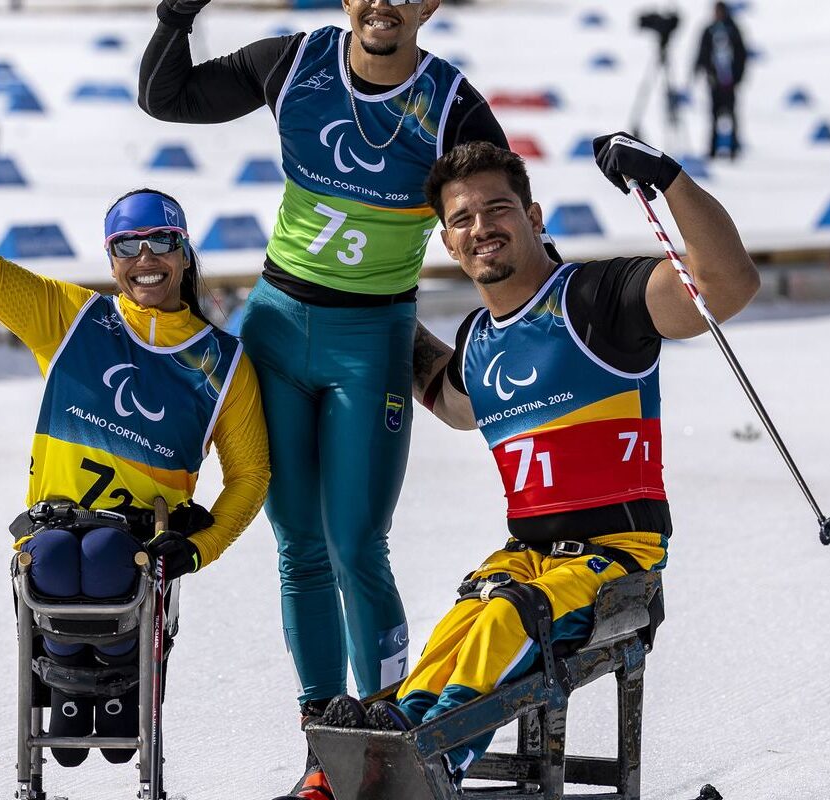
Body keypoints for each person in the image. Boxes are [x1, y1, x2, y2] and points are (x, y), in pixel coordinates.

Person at [138, 2, 509, 796]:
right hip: (275, 330)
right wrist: (175, 17)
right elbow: (167, 99)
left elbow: (492, 223)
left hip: (370, 342)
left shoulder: (452, 106)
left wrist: (509, 332)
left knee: (355, 545)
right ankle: (322, 754)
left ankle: (383, 739)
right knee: (298, 547)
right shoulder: (293, 63)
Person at [315, 135, 759, 785]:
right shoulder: (479, 338)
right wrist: (373, 305)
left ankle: (426, 761)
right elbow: (451, 397)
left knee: (504, 617)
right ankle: (389, 737)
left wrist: (668, 178)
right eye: (461, 219)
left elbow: (729, 284)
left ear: (533, 217)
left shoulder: (597, 299)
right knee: (463, 623)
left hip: (619, 562)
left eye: (496, 209)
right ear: (447, 242)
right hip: (525, 562)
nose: (480, 228)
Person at [0, 102, 270, 768]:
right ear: (112, 259)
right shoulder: (73, 319)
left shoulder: (224, 362)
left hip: (133, 539)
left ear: (187, 253)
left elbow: (251, 477)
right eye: (125, 246)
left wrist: (200, 549)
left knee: (105, 555)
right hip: (54, 527)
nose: (145, 259)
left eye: (161, 240)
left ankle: (111, 683)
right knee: (50, 560)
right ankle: (70, 687)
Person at [694, 1, 748, 159]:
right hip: (714, 81)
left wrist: (738, 77)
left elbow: (741, 55)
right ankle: (712, 149)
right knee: (713, 116)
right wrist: (699, 69)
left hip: (729, 82)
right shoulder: (709, 31)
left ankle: (733, 148)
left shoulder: (733, 30)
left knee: (731, 115)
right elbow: (702, 52)